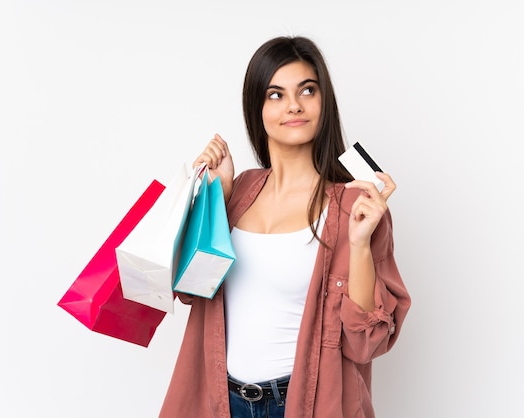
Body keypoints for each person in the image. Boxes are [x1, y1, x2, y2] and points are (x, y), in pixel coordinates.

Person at [159, 35, 411, 418]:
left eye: (307, 90)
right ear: (256, 107)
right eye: (275, 94)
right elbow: (192, 291)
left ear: (324, 101)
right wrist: (216, 200)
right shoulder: (240, 188)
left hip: (302, 404)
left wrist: (360, 244)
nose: (293, 105)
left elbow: (366, 344)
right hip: (222, 401)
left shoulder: (353, 206)